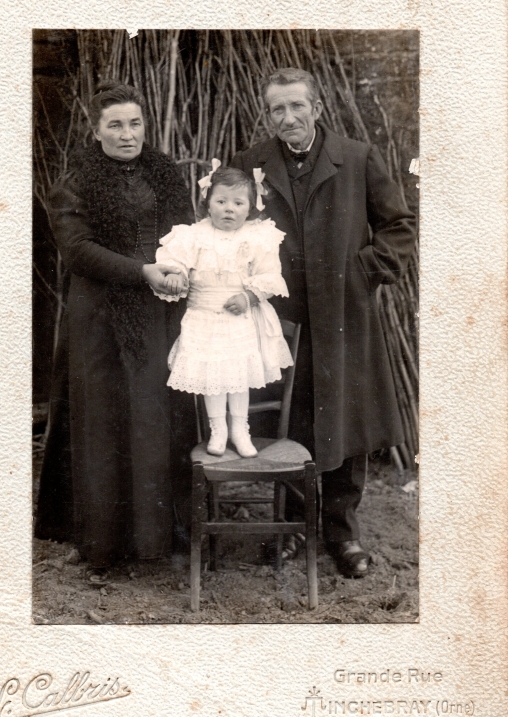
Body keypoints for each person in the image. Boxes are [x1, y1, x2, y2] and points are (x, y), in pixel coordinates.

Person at [231, 67, 417, 578]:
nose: (287, 118)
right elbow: (228, 228)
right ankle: (290, 529)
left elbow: (399, 225)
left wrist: (364, 272)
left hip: (343, 315)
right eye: (277, 110)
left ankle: (342, 533)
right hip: (282, 318)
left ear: (317, 107)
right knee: (289, 420)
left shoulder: (356, 158)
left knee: (344, 419)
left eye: (296, 106)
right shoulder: (250, 165)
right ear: (266, 115)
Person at [34, 80, 195, 584]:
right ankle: (103, 546)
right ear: (96, 129)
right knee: (103, 424)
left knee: (151, 418)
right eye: (116, 125)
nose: (128, 135)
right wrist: (139, 271)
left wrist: (177, 267)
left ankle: (153, 543)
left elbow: (183, 229)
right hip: (100, 317)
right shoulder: (76, 181)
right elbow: (77, 249)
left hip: (157, 312)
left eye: (135, 124)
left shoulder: (163, 172)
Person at [153, 163, 293, 458]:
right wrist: (176, 273)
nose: (229, 209)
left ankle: (241, 428)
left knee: (238, 375)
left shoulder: (257, 236)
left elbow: (270, 276)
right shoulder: (193, 235)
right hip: (202, 318)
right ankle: (218, 430)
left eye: (238, 203)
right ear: (208, 203)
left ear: (250, 207)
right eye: (221, 201)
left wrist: (250, 296)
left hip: (238, 318)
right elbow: (174, 259)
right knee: (212, 377)